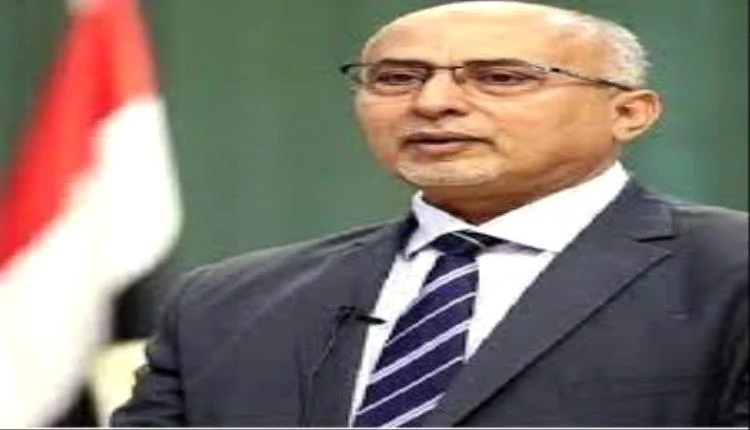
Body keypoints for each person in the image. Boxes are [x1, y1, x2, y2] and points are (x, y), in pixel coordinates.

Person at [111, 1, 748, 426]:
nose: (434, 102)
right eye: (395, 79)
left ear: (629, 112)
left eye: (501, 77)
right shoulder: (227, 302)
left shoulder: (730, 270)